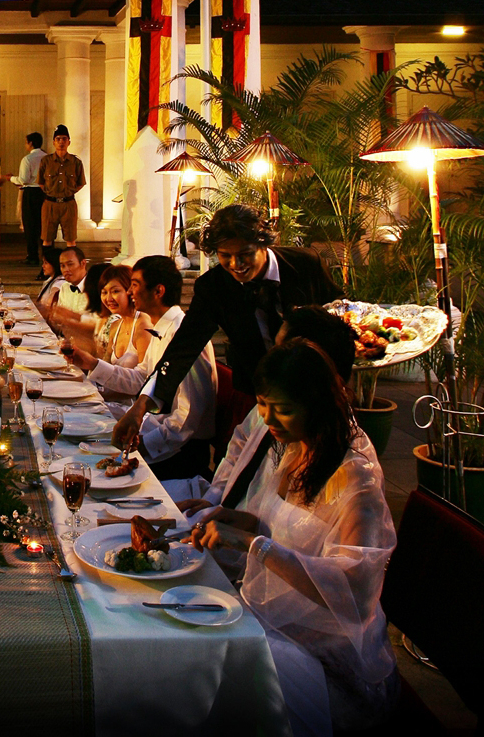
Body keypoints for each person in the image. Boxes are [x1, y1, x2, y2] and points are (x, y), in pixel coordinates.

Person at [184, 340, 398, 734]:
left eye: (282, 409)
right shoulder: (294, 449)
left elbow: (355, 591)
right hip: (271, 620)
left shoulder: (356, 478)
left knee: (219, 664)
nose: (268, 418)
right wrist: (241, 522)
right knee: (189, 635)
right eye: (262, 404)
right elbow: (283, 529)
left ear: (316, 404)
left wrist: (255, 545)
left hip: (326, 657)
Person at [113, 203, 342, 452]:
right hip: (256, 397)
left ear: (263, 244)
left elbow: (340, 320)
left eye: (245, 254)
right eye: (225, 256)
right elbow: (183, 348)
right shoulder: (214, 288)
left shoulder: (307, 265)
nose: (236, 263)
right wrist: (140, 407)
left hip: (316, 394)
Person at [173, 305, 359, 513]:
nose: (271, 357)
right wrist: (214, 497)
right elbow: (240, 442)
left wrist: (252, 531)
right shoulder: (275, 402)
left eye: (281, 350)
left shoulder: (347, 466)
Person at [71, 257, 216, 480]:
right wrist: (92, 364)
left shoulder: (184, 336)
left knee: (89, 469)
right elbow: (142, 378)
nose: (129, 292)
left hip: (181, 452)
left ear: (158, 291)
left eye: (135, 285)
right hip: (156, 432)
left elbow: (187, 418)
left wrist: (142, 447)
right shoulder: (161, 329)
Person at [37, 124, 85, 248]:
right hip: (50, 204)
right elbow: (40, 182)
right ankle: (47, 260)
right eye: (58, 139)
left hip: (68, 204)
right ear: (53, 142)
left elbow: (81, 183)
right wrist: (50, 192)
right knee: (47, 238)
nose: (61, 142)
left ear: (69, 142)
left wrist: (69, 191)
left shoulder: (76, 162)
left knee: (71, 239)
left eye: (64, 139)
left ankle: (71, 259)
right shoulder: (46, 161)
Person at [10, 131, 46, 268]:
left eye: (26, 142)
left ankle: (32, 256)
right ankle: (46, 255)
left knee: (30, 225)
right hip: (44, 193)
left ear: (30, 143)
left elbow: (23, 179)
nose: (25, 145)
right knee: (43, 224)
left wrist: (11, 178)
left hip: (31, 193)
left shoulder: (28, 159)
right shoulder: (47, 157)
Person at [35, 246, 65, 319]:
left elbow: (49, 305)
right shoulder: (50, 280)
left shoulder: (59, 283)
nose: (43, 266)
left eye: (46, 263)